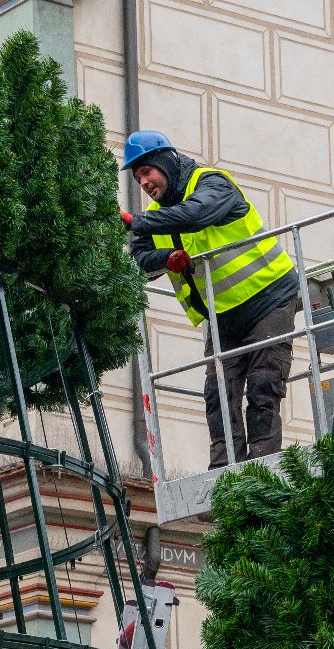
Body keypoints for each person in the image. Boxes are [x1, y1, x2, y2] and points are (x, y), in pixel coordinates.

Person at [121, 130, 300, 469]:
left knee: (263, 384)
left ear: (165, 162)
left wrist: (138, 220)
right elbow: (138, 259)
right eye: (138, 176)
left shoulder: (213, 183)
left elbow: (197, 215)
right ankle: (225, 471)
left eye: (147, 171)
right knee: (219, 395)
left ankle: (263, 465)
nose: (143, 182)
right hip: (222, 318)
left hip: (269, 298)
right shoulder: (157, 215)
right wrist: (166, 258)